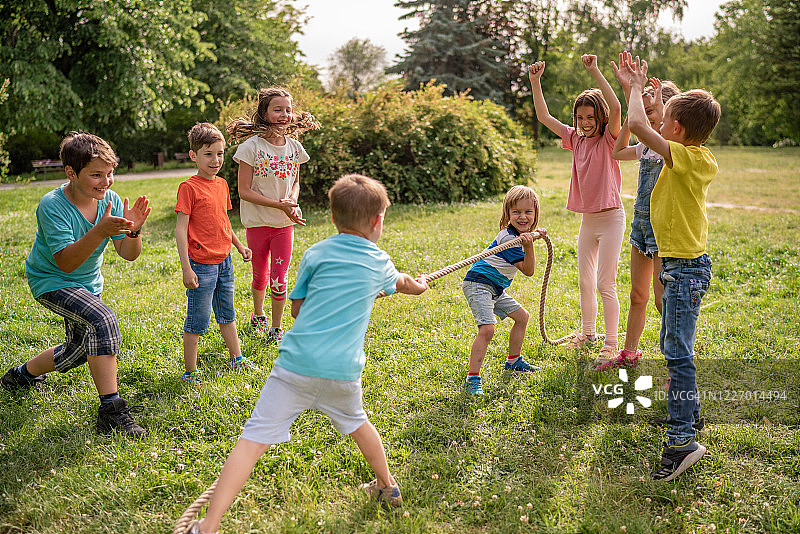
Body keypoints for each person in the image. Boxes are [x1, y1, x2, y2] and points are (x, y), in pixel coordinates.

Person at [183, 174, 427, 534]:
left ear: (332, 218)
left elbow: (296, 309)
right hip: (342, 372)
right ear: (377, 222)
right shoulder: (380, 262)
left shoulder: (316, 253)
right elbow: (405, 283)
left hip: (295, 367)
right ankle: (387, 484)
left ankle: (209, 526)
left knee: (251, 442)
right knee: (359, 424)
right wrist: (417, 285)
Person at [1, 132, 151, 438]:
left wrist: (132, 232)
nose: (106, 182)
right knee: (102, 320)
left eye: (110, 174)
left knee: (79, 349)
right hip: (52, 280)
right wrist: (100, 231)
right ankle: (112, 411)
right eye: (96, 175)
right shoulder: (52, 205)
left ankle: (20, 376)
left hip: (87, 285)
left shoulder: (108, 200)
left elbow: (127, 255)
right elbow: (66, 263)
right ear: (71, 173)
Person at [622, 54, 720, 481]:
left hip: (684, 270)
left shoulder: (689, 158)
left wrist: (632, 87)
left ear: (676, 130)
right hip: (678, 266)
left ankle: (682, 441)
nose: (659, 124)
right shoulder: (692, 154)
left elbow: (641, 127)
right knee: (673, 344)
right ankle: (691, 418)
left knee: (678, 356)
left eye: (667, 120)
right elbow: (651, 128)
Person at [528, 54, 624, 368]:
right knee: (584, 282)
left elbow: (617, 107)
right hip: (588, 221)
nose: (584, 123)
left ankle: (611, 345)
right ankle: (588, 333)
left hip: (611, 218)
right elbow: (544, 117)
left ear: (600, 118)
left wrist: (594, 70)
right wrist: (535, 81)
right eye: (580, 118)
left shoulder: (610, 139)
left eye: (590, 118)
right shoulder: (574, 139)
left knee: (604, 283)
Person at [227, 87, 319, 342]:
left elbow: (296, 182)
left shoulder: (295, 148)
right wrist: (278, 205)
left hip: (284, 225)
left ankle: (276, 328)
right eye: (277, 109)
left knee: (280, 278)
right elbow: (243, 191)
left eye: (288, 110)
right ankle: (258, 314)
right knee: (260, 276)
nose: (284, 115)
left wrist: (292, 200)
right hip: (257, 224)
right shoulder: (250, 147)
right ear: (264, 113)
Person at [610, 52, 681, 369]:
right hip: (641, 228)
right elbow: (617, 151)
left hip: (662, 232)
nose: (650, 119)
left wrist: (656, 108)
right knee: (637, 296)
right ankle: (628, 354)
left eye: (655, 113)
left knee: (660, 300)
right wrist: (631, 113)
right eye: (648, 112)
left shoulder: (674, 150)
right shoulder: (646, 146)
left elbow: (663, 125)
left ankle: (674, 364)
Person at [176, 123, 253, 383]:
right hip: (201, 266)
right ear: (193, 156)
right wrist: (187, 268)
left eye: (219, 153)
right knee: (197, 319)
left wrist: (239, 246)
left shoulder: (221, 184)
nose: (215, 160)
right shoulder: (189, 187)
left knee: (227, 312)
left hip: (225, 262)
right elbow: (180, 231)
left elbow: (223, 222)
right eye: (208, 154)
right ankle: (190, 371)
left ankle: (237, 357)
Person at [462, 185, 546, 396]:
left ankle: (514, 361)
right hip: (479, 283)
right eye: (516, 212)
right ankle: (473, 378)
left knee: (522, 317)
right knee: (487, 329)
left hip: (495, 287)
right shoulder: (509, 239)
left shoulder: (520, 234)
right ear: (507, 214)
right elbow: (528, 271)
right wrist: (529, 246)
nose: (522, 217)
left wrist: (534, 236)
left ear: (535, 214)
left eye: (528, 212)